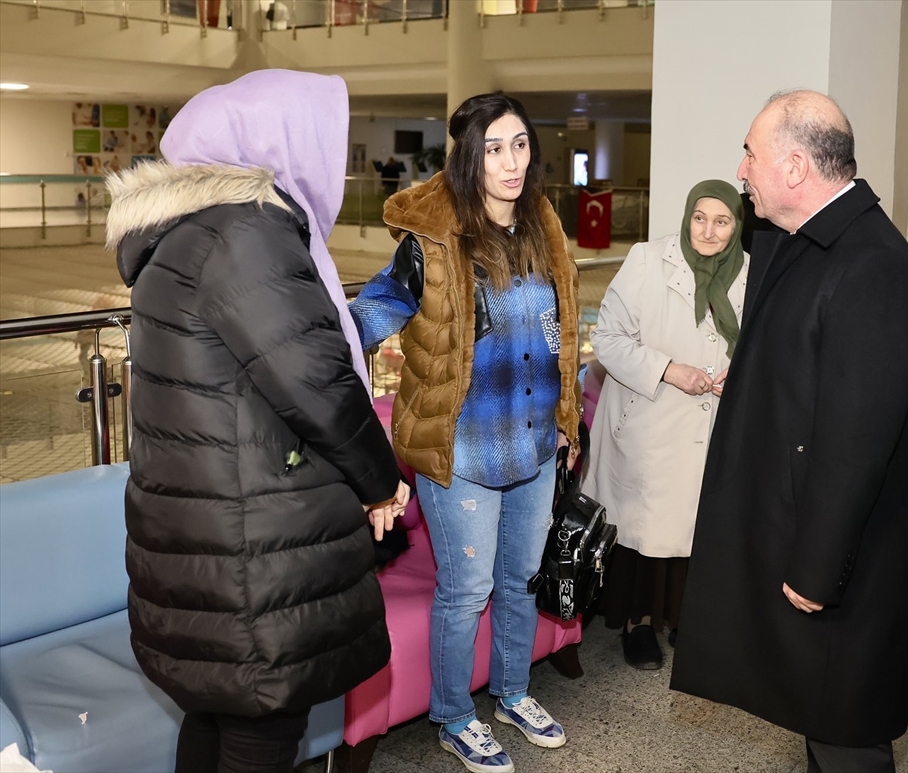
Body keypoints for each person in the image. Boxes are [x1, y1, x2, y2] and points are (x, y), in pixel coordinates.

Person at [106, 69, 410, 773]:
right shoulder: (248, 234)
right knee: (262, 731)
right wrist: (379, 480)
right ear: (278, 141)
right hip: (255, 546)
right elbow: (321, 385)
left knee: (215, 713)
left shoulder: (181, 234)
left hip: (202, 535)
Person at [670, 89, 908, 773]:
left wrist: (818, 566)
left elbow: (856, 441)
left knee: (846, 728)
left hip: (837, 560)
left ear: (793, 168)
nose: (741, 168)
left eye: (751, 154)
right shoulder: (804, 239)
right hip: (793, 527)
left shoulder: (872, 267)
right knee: (817, 714)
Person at [348, 92, 581, 773]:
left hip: (535, 446)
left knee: (519, 580)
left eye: (519, 145)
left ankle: (511, 692)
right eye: (493, 149)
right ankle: (454, 714)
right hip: (464, 451)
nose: (510, 162)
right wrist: (317, 336)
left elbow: (560, 329)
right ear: (469, 157)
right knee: (466, 589)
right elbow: (375, 310)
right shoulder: (435, 239)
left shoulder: (543, 225)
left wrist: (567, 419)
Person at [582, 179, 749, 670]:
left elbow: (762, 342)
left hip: (708, 424)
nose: (709, 231)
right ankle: (636, 625)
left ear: (737, 225)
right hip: (648, 418)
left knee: (691, 531)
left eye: (722, 221)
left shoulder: (750, 273)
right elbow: (607, 340)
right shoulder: (647, 260)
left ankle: (680, 619)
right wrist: (671, 371)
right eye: (700, 218)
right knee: (643, 531)